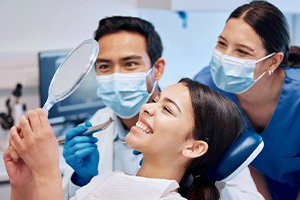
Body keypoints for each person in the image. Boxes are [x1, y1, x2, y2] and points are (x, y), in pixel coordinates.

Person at [61, 16, 263, 199]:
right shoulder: (97, 125)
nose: (116, 75)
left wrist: (199, 183)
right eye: (104, 66)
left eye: (130, 64)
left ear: (157, 69)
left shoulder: (204, 124)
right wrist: (82, 178)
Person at [5, 78, 244, 200]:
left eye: (168, 110)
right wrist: (23, 183)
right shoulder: (107, 181)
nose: (147, 108)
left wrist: (46, 172)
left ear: (193, 147)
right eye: (155, 101)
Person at [193, 1, 300, 199]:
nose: (225, 57)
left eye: (242, 51)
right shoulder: (208, 88)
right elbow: (244, 160)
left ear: (273, 61)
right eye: (222, 43)